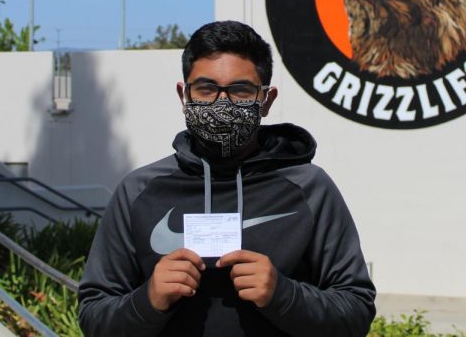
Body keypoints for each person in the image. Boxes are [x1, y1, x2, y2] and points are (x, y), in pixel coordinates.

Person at [78, 20, 376, 336]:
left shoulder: (310, 189)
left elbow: (356, 311)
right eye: (205, 89)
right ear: (183, 95)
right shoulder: (138, 191)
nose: (223, 102)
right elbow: (94, 316)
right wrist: (148, 300)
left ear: (267, 100)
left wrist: (283, 295)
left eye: (241, 90)